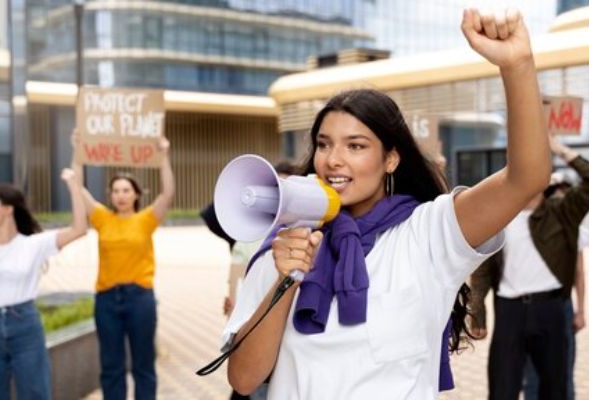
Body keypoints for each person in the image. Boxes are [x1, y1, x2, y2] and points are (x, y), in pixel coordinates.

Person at [221, 8, 551, 399]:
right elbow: (243, 380)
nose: (333, 159)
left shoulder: (429, 233)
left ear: (390, 159)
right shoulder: (284, 248)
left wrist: (518, 65)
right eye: (324, 144)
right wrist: (286, 278)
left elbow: (525, 179)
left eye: (356, 146)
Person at [468, 135, 589, 400]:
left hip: (550, 309)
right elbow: (482, 272)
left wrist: (559, 149)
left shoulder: (563, 211)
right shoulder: (498, 214)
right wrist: (478, 313)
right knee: (502, 389)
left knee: (555, 389)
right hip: (509, 312)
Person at [0, 167, 88, 399]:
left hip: (25, 327)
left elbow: (80, 229)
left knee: (35, 393)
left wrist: (73, 185)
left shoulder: (33, 244)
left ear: (8, 210)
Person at [78, 137, 175, 400]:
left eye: (126, 190)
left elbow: (167, 194)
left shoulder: (146, 219)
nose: (121, 195)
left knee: (143, 365)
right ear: (110, 195)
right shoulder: (101, 218)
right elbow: (78, 187)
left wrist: (163, 155)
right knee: (111, 367)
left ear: (136, 194)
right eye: (116, 191)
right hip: (107, 300)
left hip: (140, 299)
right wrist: (78, 149)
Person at [200, 161, 296, 400]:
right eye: (275, 189)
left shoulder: (306, 235)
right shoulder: (249, 230)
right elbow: (214, 214)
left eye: (287, 189)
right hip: (250, 334)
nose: (279, 197)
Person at [521, 222, 589, 400]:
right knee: (532, 377)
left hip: (561, 306)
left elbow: (578, 272)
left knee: (562, 375)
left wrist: (581, 311)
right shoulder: (525, 222)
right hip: (531, 306)